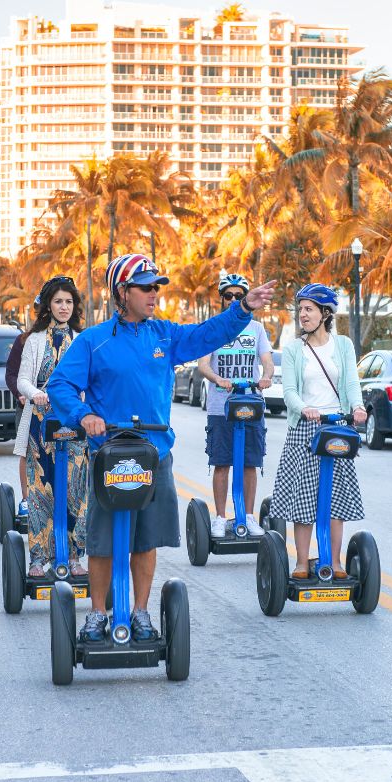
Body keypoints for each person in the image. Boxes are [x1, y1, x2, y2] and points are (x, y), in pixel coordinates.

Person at [47, 254, 276, 643]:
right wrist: (84, 415)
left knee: (146, 538)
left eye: (157, 287)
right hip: (110, 454)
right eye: (146, 287)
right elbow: (60, 385)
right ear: (123, 292)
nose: (155, 294)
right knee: (102, 540)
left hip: (153, 454)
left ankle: (140, 612)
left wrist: (242, 310)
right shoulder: (94, 340)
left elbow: (207, 334)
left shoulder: (165, 336)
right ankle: (97, 613)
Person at [270, 283, 366, 580]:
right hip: (305, 430)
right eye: (300, 309)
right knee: (304, 497)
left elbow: (350, 382)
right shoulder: (293, 350)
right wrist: (304, 408)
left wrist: (358, 407)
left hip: (337, 427)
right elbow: (289, 392)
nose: (303, 315)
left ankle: (335, 562)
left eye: (309, 309)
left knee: (335, 497)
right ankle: (301, 562)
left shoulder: (344, 345)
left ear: (325, 313)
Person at [16, 276, 89, 578]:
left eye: (69, 302)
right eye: (58, 301)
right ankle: (38, 558)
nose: (63, 307)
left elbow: (89, 381)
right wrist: (37, 394)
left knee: (75, 491)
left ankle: (74, 557)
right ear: (48, 305)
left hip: (74, 422)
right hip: (40, 423)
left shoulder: (82, 340)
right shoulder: (34, 340)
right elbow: (23, 380)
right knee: (40, 491)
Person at [196, 273, 274, 537]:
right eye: (228, 295)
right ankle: (219, 517)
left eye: (238, 296)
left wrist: (266, 376)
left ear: (246, 298)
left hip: (251, 402)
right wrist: (217, 377)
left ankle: (249, 516)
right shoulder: (215, 327)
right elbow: (203, 363)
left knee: (250, 462)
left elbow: (267, 359)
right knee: (221, 463)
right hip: (221, 406)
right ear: (222, 299)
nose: (233, 300)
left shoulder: (257, 329)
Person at [6, 300, 38, 515]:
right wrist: (20, 394)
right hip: (28, 405)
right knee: (28, 452)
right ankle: (27, 500)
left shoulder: (70, 338)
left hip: (59, 407)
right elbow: (11, 374)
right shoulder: (23, 340)